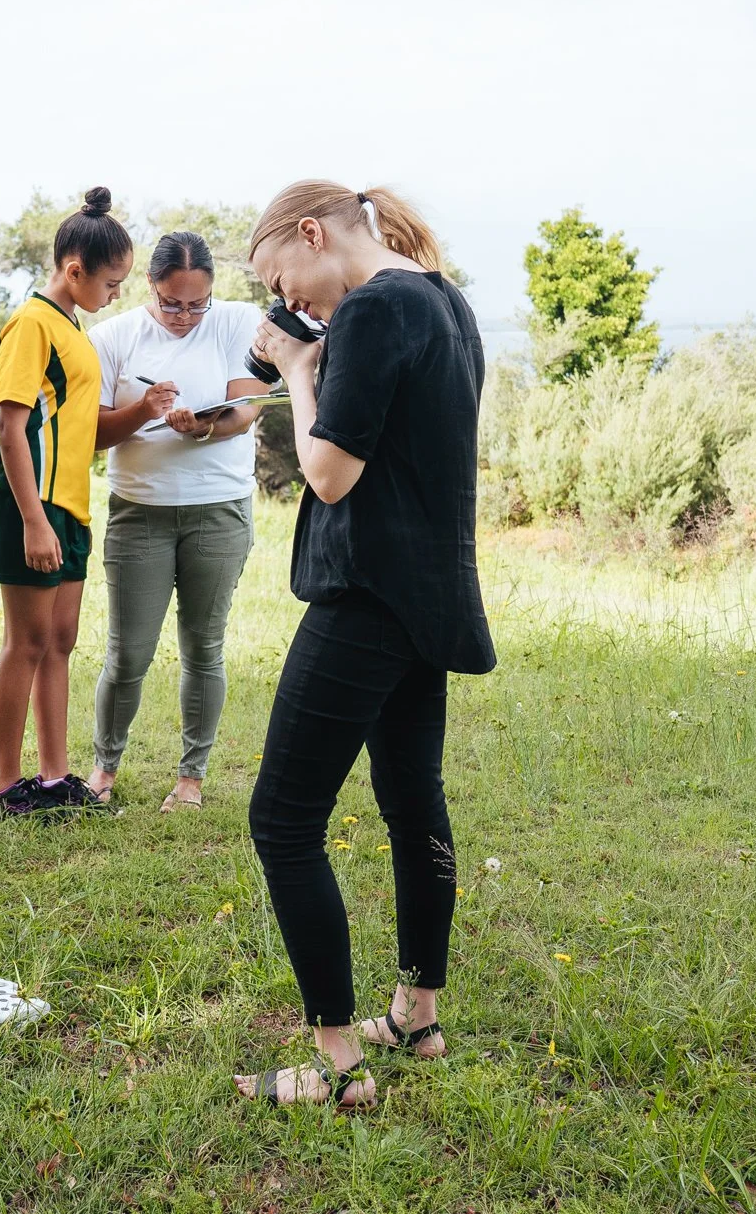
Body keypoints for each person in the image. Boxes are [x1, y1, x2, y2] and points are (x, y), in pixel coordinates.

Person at [229, 182, 495, 1110]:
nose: (291, 300)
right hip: (428, 596)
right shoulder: (443, 299)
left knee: (284, 819)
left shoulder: (377, 307)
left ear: (313, 233)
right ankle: (417, 1011)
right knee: (411, 800)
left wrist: (300, 371)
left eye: (282, 276)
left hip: (366, 600)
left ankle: (338, 1065)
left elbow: (331, 473)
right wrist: (316, 352)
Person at [0, 187, 161, 819]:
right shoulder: (31, 324)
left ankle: (55, 779)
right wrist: (32, 519)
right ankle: (2, 787)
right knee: (24, 643)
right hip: (29, 504)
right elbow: (10, 426)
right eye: (111, 283)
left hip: (71, 505)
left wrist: (144, 410)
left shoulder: (71, 328)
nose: (116, 294)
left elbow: (86, 431)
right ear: (73, 269)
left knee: (59, 642)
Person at [85, 231, 268, 812]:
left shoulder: (238, 322)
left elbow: (247, 407)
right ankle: (104, 768)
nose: (185, 315)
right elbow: (89, 433)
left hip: (219, 511)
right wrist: (144, 409)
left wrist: (207, 426)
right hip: (139, 513)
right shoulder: (113, 337)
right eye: (172, 303)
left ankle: (191, 778)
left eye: (197, 303)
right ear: (150, 287)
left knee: (203, 648)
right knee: (127, 654)